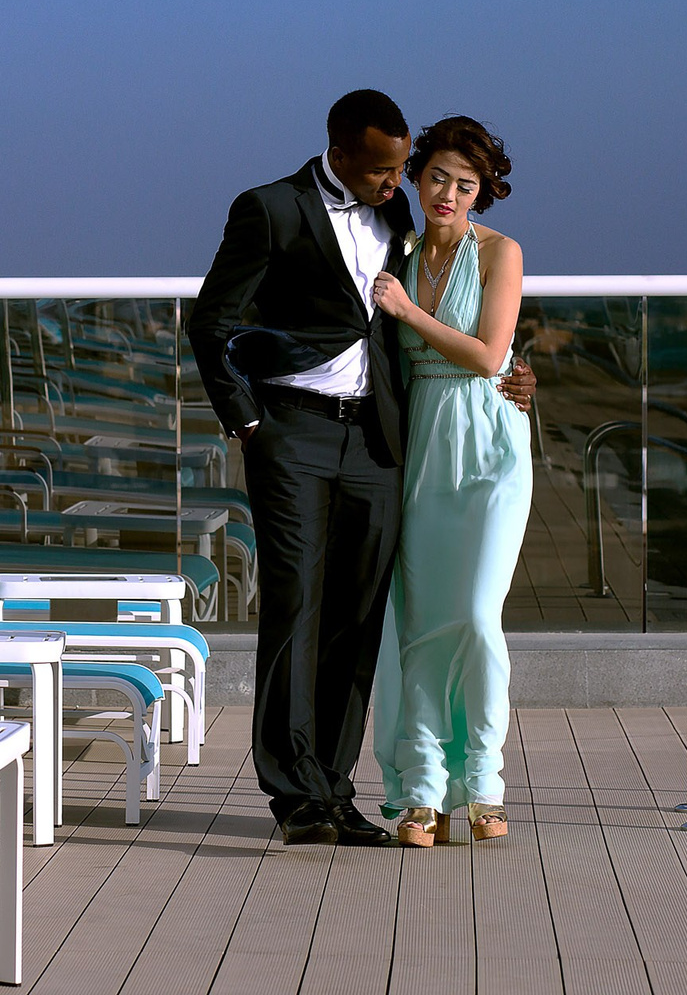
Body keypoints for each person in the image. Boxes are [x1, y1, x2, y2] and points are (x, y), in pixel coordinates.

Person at [189, 90, 533, 847]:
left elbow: (463, 330)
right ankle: (295, 795)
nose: (398, 182)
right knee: (294, 608)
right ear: (339, 153)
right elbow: (212, 318)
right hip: (293, 433)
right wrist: (247, 421)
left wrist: (517, 373)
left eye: (404, 168)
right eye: (385, 170)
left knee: (359, 615)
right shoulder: (269, 209)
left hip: (381, 442)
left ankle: (335, 789)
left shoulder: (400, 217)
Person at [369, 115, 533, 846]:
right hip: (422, 442)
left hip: (491, 444)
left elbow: (491, 354)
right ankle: (424, 790)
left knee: (475, 614)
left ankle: (486, 779)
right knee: (420, 623)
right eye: (437, 177)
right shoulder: (396, 250)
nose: (449, 194)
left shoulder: (501, 252)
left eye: (466, 185)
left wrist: (406, 310)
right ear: (416, 176)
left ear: (481, 192)